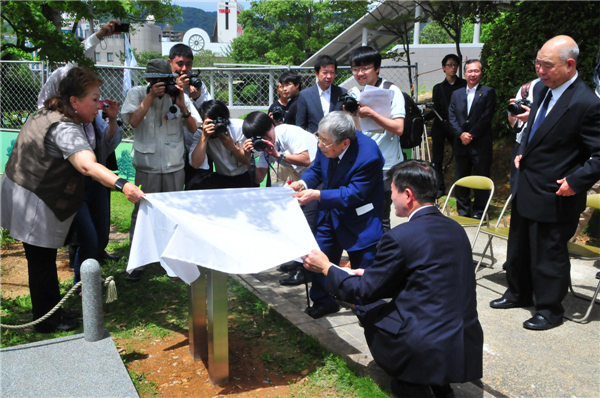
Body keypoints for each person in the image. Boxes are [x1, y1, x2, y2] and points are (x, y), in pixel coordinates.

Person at [302, 160, 483, 398]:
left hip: (423, 344)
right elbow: (426, 276)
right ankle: (440, 383)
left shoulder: (399, 236)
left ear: (407, 195)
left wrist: (326, 267)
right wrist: (372, 274)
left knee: (369, 307)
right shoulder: (455, 228)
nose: (391, 197)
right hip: (464, 338)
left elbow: (363, 292)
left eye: (393, 191)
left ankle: (409, 379)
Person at [0, 67, 144, 333]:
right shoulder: (65, 128)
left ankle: (48, 311)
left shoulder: (49, 112)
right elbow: (87, 165)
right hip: (33, 198)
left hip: (22, 189)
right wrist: (123, 184)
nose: (99, 104)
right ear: (74, 101)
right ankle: (47, 320)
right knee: (42, 262)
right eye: (94, 98)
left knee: (41, 260)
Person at [490, 36, 600, 331]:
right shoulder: (541, 89)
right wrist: (523, 149)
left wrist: (576, 181)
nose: (540, 71)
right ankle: (518, 292)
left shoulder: (586, 103)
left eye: (547, 65)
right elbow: (535, 125)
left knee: (548, 254)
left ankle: (550, 309)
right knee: (519, 247)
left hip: (557, 191)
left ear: (570, 64)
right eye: (537, 63)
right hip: (527, 183)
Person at [289, 111, 384, 319]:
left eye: (325, 142)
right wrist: (303, 183)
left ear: (344, 143)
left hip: (360, 218)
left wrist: (317, 194)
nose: (320, 145)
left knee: (363, 265)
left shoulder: (368, 155)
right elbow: (317, 169)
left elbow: (354, 193)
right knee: (319, 256)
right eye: (319, 138)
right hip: (330, 213)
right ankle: (324, 300)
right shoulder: (327, 140)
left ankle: (366, 309)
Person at [121, 58, 200, 281]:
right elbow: (133, 122)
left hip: (174, 165)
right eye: (155, 80)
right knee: (142, 212)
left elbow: (193, 127)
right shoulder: (136, 93)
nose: (161, 84)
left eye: (164, 80)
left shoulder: (177, 93)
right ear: (147, 79)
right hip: (148, 165)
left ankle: (173, 260)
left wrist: (183, 104)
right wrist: (150, 97)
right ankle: (138, 262)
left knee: (174, 213)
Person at [242, 112, 319, 285]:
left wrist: (278, 155)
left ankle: (305, 271)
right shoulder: (262, 146)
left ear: (271, 126)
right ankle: (298, 260)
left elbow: (306, 159)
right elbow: (258, 178)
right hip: (301, 178)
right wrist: (248, 156)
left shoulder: (287, 132)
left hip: (317, 173)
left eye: (264, 135)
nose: (263, 140)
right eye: (257, 138)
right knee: (293, 219)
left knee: (307, 220)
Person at [348, 46, 405, 232]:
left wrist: (371, 113)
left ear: (377, 68)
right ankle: (367, 258)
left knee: (381, 216)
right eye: (355, 69)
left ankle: (384, 258)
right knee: (361, 213)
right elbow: (355, 132)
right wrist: (352, 116)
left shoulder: (391, 90)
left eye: (365, 68)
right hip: (361, 164)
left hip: (386, 166)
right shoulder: (354, 93)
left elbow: (399, 128)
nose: (360, 73)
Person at [448, 59, 496, 218]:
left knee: (481, 178)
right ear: (464, 74)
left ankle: (479, 211)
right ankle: (463, 211)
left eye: (476, 71)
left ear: (481, 73)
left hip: (480, 143)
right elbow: (452, 116)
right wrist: (461, 134)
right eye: (470, 71)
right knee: (461, 177)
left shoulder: (488, 92)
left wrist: (472, 134)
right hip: (461, 143)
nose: (473, 74)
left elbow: (486, 117)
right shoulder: (456, 94)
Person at [424, 54, 467, 198]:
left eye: (455, 64)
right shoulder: (438, 88)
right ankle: (439, 188)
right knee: (437, 158)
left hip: (457, 126)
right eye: (449, 65)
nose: (452, 67)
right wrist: (423, 117)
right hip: (440, 125)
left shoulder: (463, 85)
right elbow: (436, 108)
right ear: (443, 68)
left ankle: (461, 189)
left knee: (460, 156)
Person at [188, 100, 253, 189]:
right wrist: (204, 138)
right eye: (210, 123)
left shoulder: (240, 128)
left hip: (244, 175)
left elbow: (247, 161)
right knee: (193, 183)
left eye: (218, 122)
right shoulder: (201, 133)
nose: (215, 126)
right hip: (221, 176)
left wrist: (233, 147)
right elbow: (195, 164)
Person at [296, 55, 347, 133]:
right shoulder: (305, 95)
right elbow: (300, 126)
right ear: (317, 73)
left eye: (332, 72)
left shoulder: (342, 93)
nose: (329, 76)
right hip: (314, 141)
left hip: (337, 140)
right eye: (325, 72)